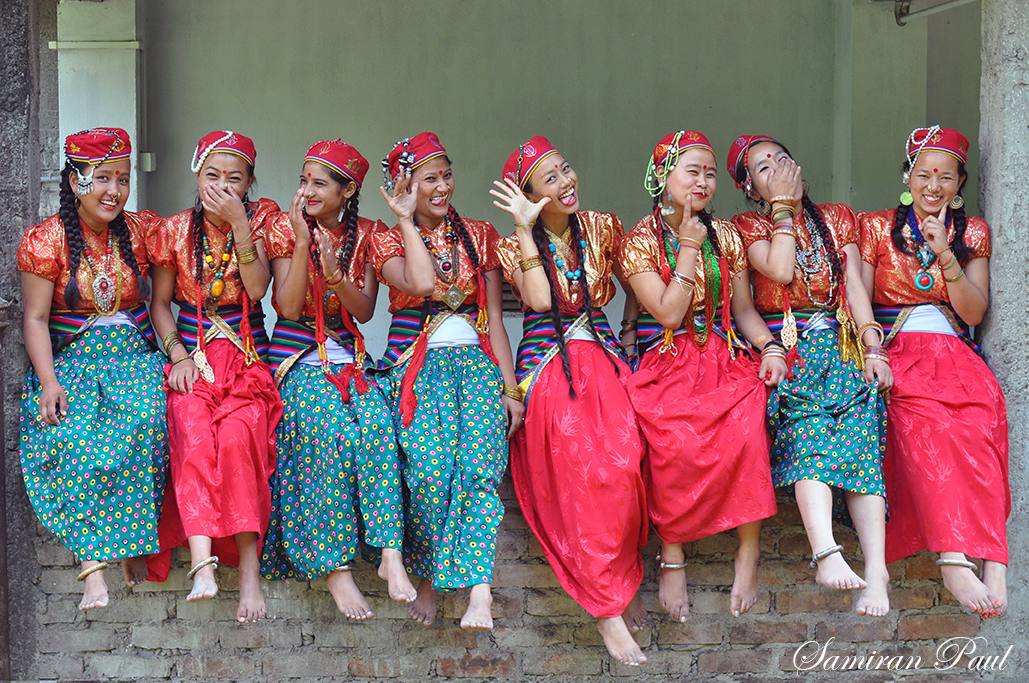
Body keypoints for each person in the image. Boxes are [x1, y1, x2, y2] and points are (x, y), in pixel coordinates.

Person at [492, 136, 648, 666]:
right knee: (578, 464)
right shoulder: (511, 243)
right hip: (548, 367)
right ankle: (606, 610)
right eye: (550, 179)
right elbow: (537, 300)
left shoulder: (603, 226)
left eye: (566, 170)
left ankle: (620, 582)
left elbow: (638, 282)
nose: (566, 182)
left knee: (627, 462)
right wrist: (523, 225)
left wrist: (631, 332)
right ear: (530, 194)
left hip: (602, 354)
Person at [620, 131, 784, 624]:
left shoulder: (728, 235)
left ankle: (748, 553)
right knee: (671, 441)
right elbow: (669, 314)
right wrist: (688, 248)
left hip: (721, 355)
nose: (704, 181)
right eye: (692, 171)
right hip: (667, 360)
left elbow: (744, 310)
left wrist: (771, 347)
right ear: (662, 178)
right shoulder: (639, 240)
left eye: (711, 173)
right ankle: (673, 557)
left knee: (749, 430)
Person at [728, 134, 893, 617]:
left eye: (781, 158)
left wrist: (873, 346)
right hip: (792, 351)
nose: (776, 168)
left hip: (840, 347)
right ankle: (826, 553)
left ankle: (877, 572)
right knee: (808, 439)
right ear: (752, 190)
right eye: (762, 168)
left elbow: (856, 291)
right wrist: (772, 347)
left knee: (864, 447)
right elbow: (773, 277)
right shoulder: (745, 226)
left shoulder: (838, 216)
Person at [260, 139, 417, 619]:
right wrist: (306, 246)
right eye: (304, 179)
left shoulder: (368, 233)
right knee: (330, 435)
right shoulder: (287, 231)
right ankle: (336, 570)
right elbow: (285, 309)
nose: (307, 189)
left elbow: (366, 311)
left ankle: (390, 552)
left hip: (347, 360)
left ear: (348, 190)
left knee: (377, 429)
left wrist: (335, 276)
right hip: (297, 360)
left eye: (319, 183)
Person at [372, 132, 522, 631]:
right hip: (417, 367)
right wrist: (404, 216)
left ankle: (479, 591)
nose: (441, 187)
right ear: (404, 184)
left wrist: (509, 387)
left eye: (445, 175)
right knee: (431, 476)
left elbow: (495, 317)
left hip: (476, 366)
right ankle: (436, 577)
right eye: (427, 179)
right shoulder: (387, 236)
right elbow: (418, 283)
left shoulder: (479, 234)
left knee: (480, 472)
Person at [859, 126, 1008, 618]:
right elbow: (857, 295)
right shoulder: (877, 227)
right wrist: (871, 347)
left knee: (984, 422)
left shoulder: (975, 232)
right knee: (933, 426)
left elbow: (972, 312)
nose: (933, 184)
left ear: (960, 182)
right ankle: (951, 556)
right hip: (899, 349)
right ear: (907, 176)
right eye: (923, 173)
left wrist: (945, 250)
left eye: (946, 176)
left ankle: (994, 561)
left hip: (955, 352)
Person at [19, 127, 167, 611]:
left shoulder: (142, 229)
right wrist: (48, 383)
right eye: (102, 178)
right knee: (76, 437)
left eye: (122, 179)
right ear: (76, 180)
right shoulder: (48, 239)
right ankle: (92, 566)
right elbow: (36, 319)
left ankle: (128, 542)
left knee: (147, 425)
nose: (114, 191)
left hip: (134, 356)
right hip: (75, 361)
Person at [146, 131, 282, 623]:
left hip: (246, 355)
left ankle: (249, 568)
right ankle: (203, 563)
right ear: (196, 175)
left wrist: (240, 225)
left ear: (249, 185)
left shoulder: (262, 219)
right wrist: (177, 354)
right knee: (193, 433)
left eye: (234, 179)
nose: (222, 187)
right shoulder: (175, 229)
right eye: (212, 176)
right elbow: (160, 305)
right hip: (191, 354)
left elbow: (259, 287)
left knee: (241, 439)